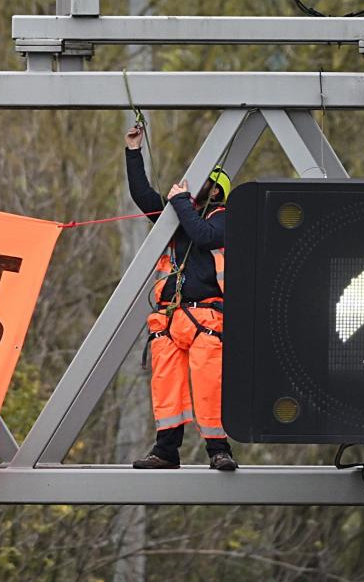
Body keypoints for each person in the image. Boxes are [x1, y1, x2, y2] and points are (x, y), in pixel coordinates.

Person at [124, 124, 237, 471]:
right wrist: (133, 151)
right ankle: (166, 450)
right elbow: (143, 195)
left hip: (207, 319)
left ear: (217, 191)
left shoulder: (226, 219)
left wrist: (179, 203)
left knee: (208, 385)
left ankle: (219, 449)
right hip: (170, 321)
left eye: (205, 183)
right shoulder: (176, 219)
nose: (196, 188)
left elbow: (203, 236)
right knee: (166, 388)